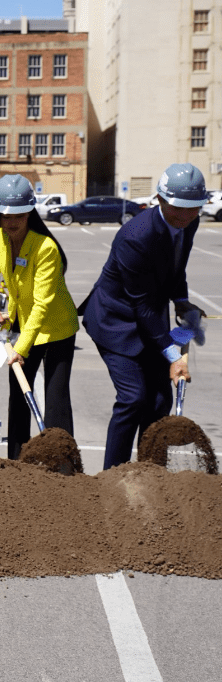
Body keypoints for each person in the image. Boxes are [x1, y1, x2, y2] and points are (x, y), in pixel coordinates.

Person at [80, 163, 207, 469]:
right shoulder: (135, 237)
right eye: (178, 208)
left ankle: (149, 473)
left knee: (161, 401)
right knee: (134, 398)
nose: (185, 216)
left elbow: (176, 266)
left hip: (150, 317)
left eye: (192, 209)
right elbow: (143, 307)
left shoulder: (188, 222)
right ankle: (113, 476)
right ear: (160, 200)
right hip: (116, 320)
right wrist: (174, 355)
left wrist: (181, 301)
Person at [0, 175, 79, 460]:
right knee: (19, 397)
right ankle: (17, 461)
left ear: (30, 211)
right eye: (5, 214)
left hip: (57, 328)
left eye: (19, 214)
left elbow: (43, 305)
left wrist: (21, 349)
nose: (11, 221)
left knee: (56, 399)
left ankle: (64, 465)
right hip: (22, 324)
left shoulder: (45, 247)